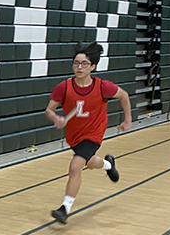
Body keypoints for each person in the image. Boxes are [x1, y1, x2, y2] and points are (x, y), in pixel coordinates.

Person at [45, 42, 132, 224]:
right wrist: (56, 118)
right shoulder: (64, 87)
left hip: (93, 133)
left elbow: (124, 96)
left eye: (84, 63)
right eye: (76, 63)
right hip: (74, 136)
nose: (79, 67)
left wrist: (127, 119)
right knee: (90, 162)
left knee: (76, 166)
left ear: (92, 66)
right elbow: (49, 110)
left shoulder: (102, 87)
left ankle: (65, 208)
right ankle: (108, 165)